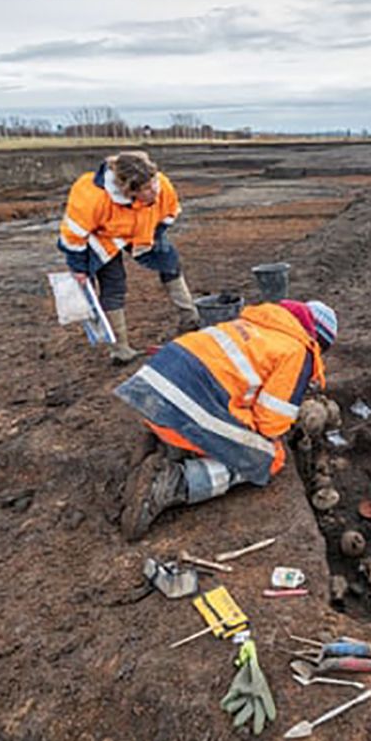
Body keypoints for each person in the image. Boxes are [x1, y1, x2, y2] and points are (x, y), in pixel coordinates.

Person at [114, 298, 338, 540]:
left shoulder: (258, 321)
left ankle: (165, 444)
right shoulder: (298, 350)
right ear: (317, 343)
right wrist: (286, 424)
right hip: (183, 403)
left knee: (228, 424)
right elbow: (270, 424)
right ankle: (171, 483)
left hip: (155, 393)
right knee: (269, 457)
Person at [56, 151, 199, 363]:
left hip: (143, 226)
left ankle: (192, 321)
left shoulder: (161, 186)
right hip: (103, 238)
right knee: (114, 285)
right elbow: (72, 236)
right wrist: (78, 269)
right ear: (128, 191)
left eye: (153, 183)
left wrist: (152, 237)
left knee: (170, 264)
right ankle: (120, 349)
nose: (154, 191)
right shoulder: (92, 196)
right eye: (147, 189)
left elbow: (169, 213)